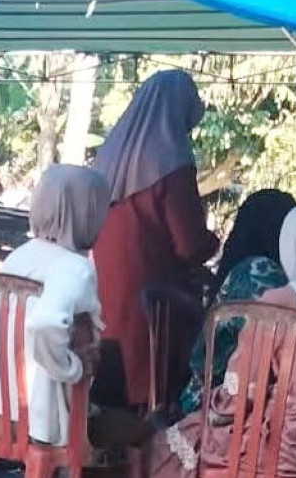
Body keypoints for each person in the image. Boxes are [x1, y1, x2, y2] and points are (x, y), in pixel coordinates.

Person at [141, 200, 296, 478]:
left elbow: (233, 401)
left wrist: (205, 410)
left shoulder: (280, 305)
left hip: (261, 464)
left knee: (162, 450)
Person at [92, 69, 219, 408]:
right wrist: (215, 242)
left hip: (102, 286)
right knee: (150, 382)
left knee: (110, 376)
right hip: (152, 298)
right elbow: (190, 246)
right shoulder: (173, 163)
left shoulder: (108, 156)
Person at [0, 164, 110, 446]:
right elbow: (45, 323)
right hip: (45, 425)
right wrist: (72, 369)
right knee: (139, 437)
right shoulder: (74, 268)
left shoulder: (16, 259)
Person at [179, 190, 296, 414]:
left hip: (212, 406)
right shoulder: (290, 284)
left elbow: (202, 359)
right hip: (268, 414)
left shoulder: (248, 273)